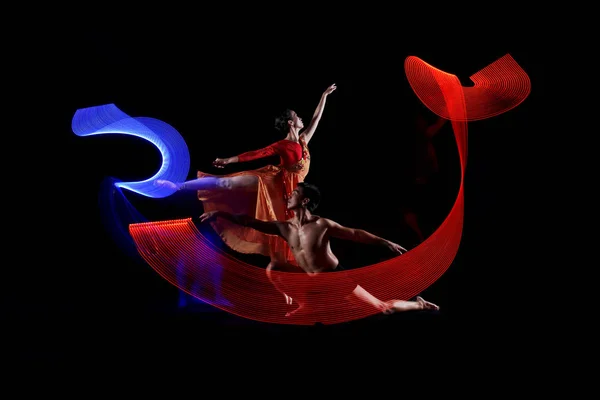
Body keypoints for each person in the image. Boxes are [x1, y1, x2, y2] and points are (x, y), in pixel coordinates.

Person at [156, 84, 337, 269]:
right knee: (226, 182)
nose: (301, 117)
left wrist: (324, 96)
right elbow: (256, 154)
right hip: (271, 180)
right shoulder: (282, 145)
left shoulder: (303, 140)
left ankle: (288, 284)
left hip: (292, 193)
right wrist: (229, 160)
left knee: (287, 239)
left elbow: (317, 118)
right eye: (297, 116)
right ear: (291, 123)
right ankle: (178, 186)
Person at [199, 182, 439, 317]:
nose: (289, 195)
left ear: (303, 201)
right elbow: (249, 221)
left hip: (335, 278)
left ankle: (419, 304)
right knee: (274, 266)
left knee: (381, 309)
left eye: (294, 194)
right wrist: (220, 213)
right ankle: (303, 301)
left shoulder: (321, 224)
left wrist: (384, 242)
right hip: (311, 282)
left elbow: (354, 234)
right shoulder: (283, 228)